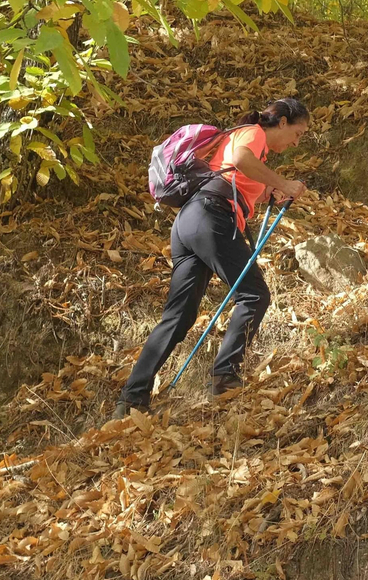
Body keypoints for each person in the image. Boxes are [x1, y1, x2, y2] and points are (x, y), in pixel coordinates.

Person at [115, 98, 311, 417]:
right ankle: (225, 378)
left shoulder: (246, 142)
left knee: (178, 317)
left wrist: (268, 192)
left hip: (189, 222)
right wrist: (282, 182)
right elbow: (241, 159)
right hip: (211, 217)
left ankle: (132, 398)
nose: (296, 141)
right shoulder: (254, 133)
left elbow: (237, 177)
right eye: (298, 133)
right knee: (254, 295)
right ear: (283, 122)